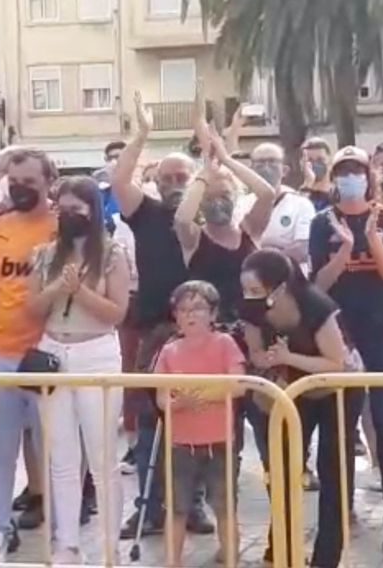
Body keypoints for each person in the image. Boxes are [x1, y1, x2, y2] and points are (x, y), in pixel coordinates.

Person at [110, 91, 213, 538]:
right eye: (167, 176)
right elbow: (118, 182)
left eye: (182, 176)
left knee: (201, 417)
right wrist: (143, 135)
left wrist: (209, 138)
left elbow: (217, 168)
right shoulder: (146, 212)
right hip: (155, 329)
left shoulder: (211, 213)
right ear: (157, 179)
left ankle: (195, 506)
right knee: (150, 420)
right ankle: (149, 508)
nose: (175, 182)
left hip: (204, 334)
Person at [309, 144, 383, 529]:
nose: (350, 177)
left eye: (357, 170)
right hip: (341, 332)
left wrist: (371, 237)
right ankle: (342, 503)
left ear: (368, 176)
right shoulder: (322, 222)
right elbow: (318, 285)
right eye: (343, 171)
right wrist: (343, 249)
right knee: (341, 422)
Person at [25, 175, 130, 563]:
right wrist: (58, 289)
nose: (69, 216)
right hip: (53, 351)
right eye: (63, 209)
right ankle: (66, 543)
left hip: (96, 353)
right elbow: (31, 308)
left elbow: (116, 313)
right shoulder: (43, 254)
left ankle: (109, 546)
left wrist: (80, 291)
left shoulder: (114, 254)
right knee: (61, 457)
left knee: (103, 458)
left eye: (77, 210)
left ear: (92, 212)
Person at [0, 148, 57, 560]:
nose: (20, 189)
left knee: (57, 451)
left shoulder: (63, 227)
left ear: (48, 182)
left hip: (50, 351)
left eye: (29, 182)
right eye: (13, 181)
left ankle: (63, 532)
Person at [239, 249, 350, 567]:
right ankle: (282, 547)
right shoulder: (251, 311)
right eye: (245, 289)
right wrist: (269, 360)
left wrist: (288, 358)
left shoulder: (317, 306)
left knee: (333, 474)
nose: (249, 296)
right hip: (291, 392)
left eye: (256, 290)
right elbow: (256, 352)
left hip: (335, 391)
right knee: (283, 469)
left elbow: (336, 363)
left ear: (280, 287)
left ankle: (326, 558)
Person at [155, 280, 244, 566]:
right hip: (181, 443)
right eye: (182, 309)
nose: (190, 315)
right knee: (177, 508)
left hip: (219, 440)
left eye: (198, 308)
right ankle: (173, 561)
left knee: (224, 506)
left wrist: (200, 395)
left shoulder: (225, 343)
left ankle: (230, 557)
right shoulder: (169, 351)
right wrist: (180, 403)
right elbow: (160, 398)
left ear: (213, 314)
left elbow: (239, 384)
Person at [176, 89, 274, 325]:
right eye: (210, 197)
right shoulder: (194, 238)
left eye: (225, 194)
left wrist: (228, 161)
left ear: (236, 196)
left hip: (252, 326)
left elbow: (267, 194)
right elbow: (181, 219)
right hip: (210, 329)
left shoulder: (250, 229)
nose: (218, 201)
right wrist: (205, 175)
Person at [235, 143, 315, 269]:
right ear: (251, 170)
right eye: (260, 163)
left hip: (290, 280)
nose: (266, 167)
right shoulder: (241, 204)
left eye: (272, 162)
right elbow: (237, 244)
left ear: (284, 171)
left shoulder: (301, 204)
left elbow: (303, 248)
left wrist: (264, 263)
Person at [301, 138, 334, 212]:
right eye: (310, 160)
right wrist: (308, 185)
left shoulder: (338, 197)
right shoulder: (297, 197)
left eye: (320, 160)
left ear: (330, 162)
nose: (315, 164)